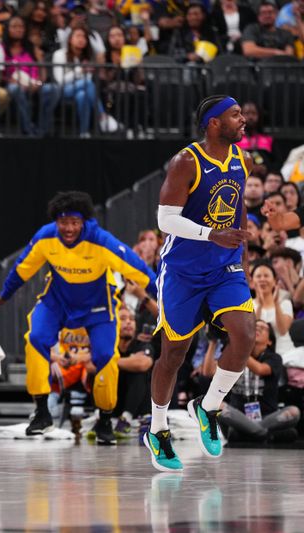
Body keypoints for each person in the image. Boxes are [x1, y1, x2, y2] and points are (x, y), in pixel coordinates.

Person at [0, 190, 157, 445]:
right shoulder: (46, 237)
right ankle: (42, 411)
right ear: (56, 221)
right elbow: (23, 266)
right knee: (36, 338)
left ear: (84, 222)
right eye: (63, 222)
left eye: (74, 223)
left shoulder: (101, 241)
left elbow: (139, 270)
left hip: (97, 305)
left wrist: (163, 296)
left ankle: (105, 418)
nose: (69, 228)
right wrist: (4, 295)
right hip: (58, 301)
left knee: (106, 356)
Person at [149, 95, 255, 472]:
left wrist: (241, 243)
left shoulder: (242, 159)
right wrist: (212, 234)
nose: (244, 119)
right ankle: (158, 428)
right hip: (182, 271)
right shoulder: (186, 162)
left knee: (245, 334)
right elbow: (165, 220)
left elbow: (238, 202)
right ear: (213, 123)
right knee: (173, 354)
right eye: (236, 115)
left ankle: (208, 407)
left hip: (224, 266)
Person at [207, 320, 300, 442]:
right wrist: (213, 342)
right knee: (217, 405)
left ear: (269, 341)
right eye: (254, 327)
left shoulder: (274, 358)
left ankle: (248, 433)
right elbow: (209, 371)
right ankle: (265, 435)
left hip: (267, 417)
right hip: (238, 417)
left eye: (263, 328)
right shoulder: (233, 355)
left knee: (294, 411)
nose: (258, 329)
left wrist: (239, 347)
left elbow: (260, 369)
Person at [2, 15, 60, 136]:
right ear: (7, 29)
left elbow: (42, 71)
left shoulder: (31, 47)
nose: (19, 29)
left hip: (34, 83)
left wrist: (38, 83)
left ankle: (42, 129)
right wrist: (10, 81)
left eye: (21, 26)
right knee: (15, 89)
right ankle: (28, 128)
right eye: (14, 26)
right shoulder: (1, 48)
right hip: (12, 84)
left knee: (53, 89)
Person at [51, 27, 105, 138]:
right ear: (70, 39)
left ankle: (83, 133)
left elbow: (87, 82)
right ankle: (102, 117)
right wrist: (80, 70)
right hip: (61, 91)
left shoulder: (86, 57)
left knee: (83, 95)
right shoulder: (59, 54)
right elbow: (60, 81)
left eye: (84, 37)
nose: (81, 39)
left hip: (79, 90)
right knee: (88, 85)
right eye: (78, 36)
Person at [114, 306, 155, 434]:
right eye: (123, 318)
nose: (128, 322)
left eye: (131, 319)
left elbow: (143, 364)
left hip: (136, 403)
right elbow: (91, 365)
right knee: (101, 373)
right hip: (113, 400)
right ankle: (101, 415)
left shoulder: (142, 345)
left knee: (140, 373)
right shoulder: (108, 345)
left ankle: (125, 418)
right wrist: (129, 362)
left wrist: (110, 362)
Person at [251, 261, 295, 355]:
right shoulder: (247, 305)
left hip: (285, 352)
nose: (262, 279)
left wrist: (276, 304)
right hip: (258, 355)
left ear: (275, 281)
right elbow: (251, 331)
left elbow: (283, 330)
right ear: (252, 282)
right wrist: (260, 306)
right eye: (258, 276)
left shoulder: (285, 303)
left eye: (266, 276)